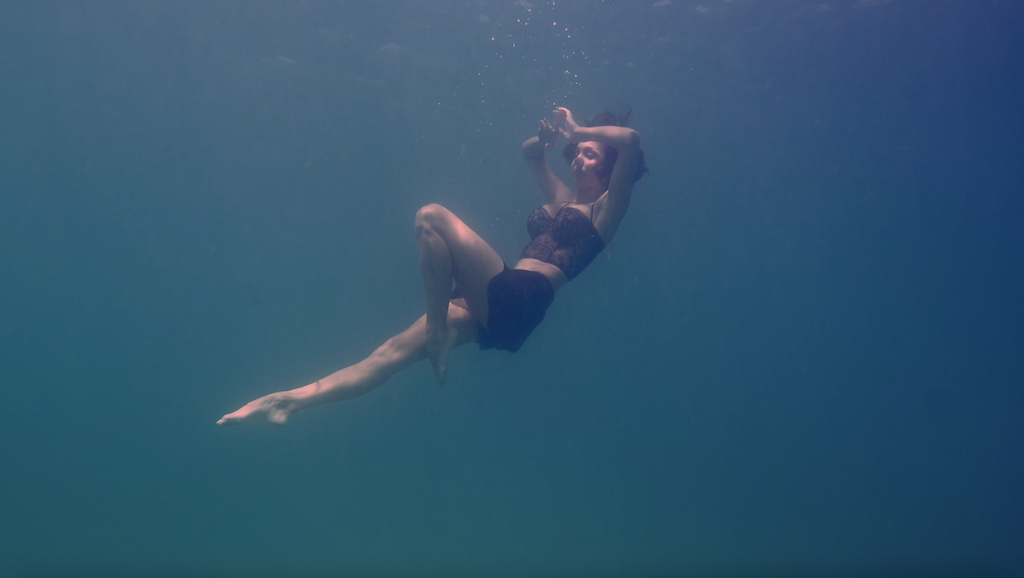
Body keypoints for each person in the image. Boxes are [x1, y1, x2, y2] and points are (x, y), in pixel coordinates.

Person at [217, 107, 648, 427]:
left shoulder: (607, 212)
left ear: (609, 169)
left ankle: (437, 333)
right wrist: (549, 144)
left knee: (430, 215)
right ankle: (288, 402)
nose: (578, 159)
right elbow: (530, 153)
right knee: (387, 354)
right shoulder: (562, 200)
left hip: (522, 297)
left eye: (591, 155)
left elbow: (629, 139)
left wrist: (578, 128)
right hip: (499, 307)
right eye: (577, 153)